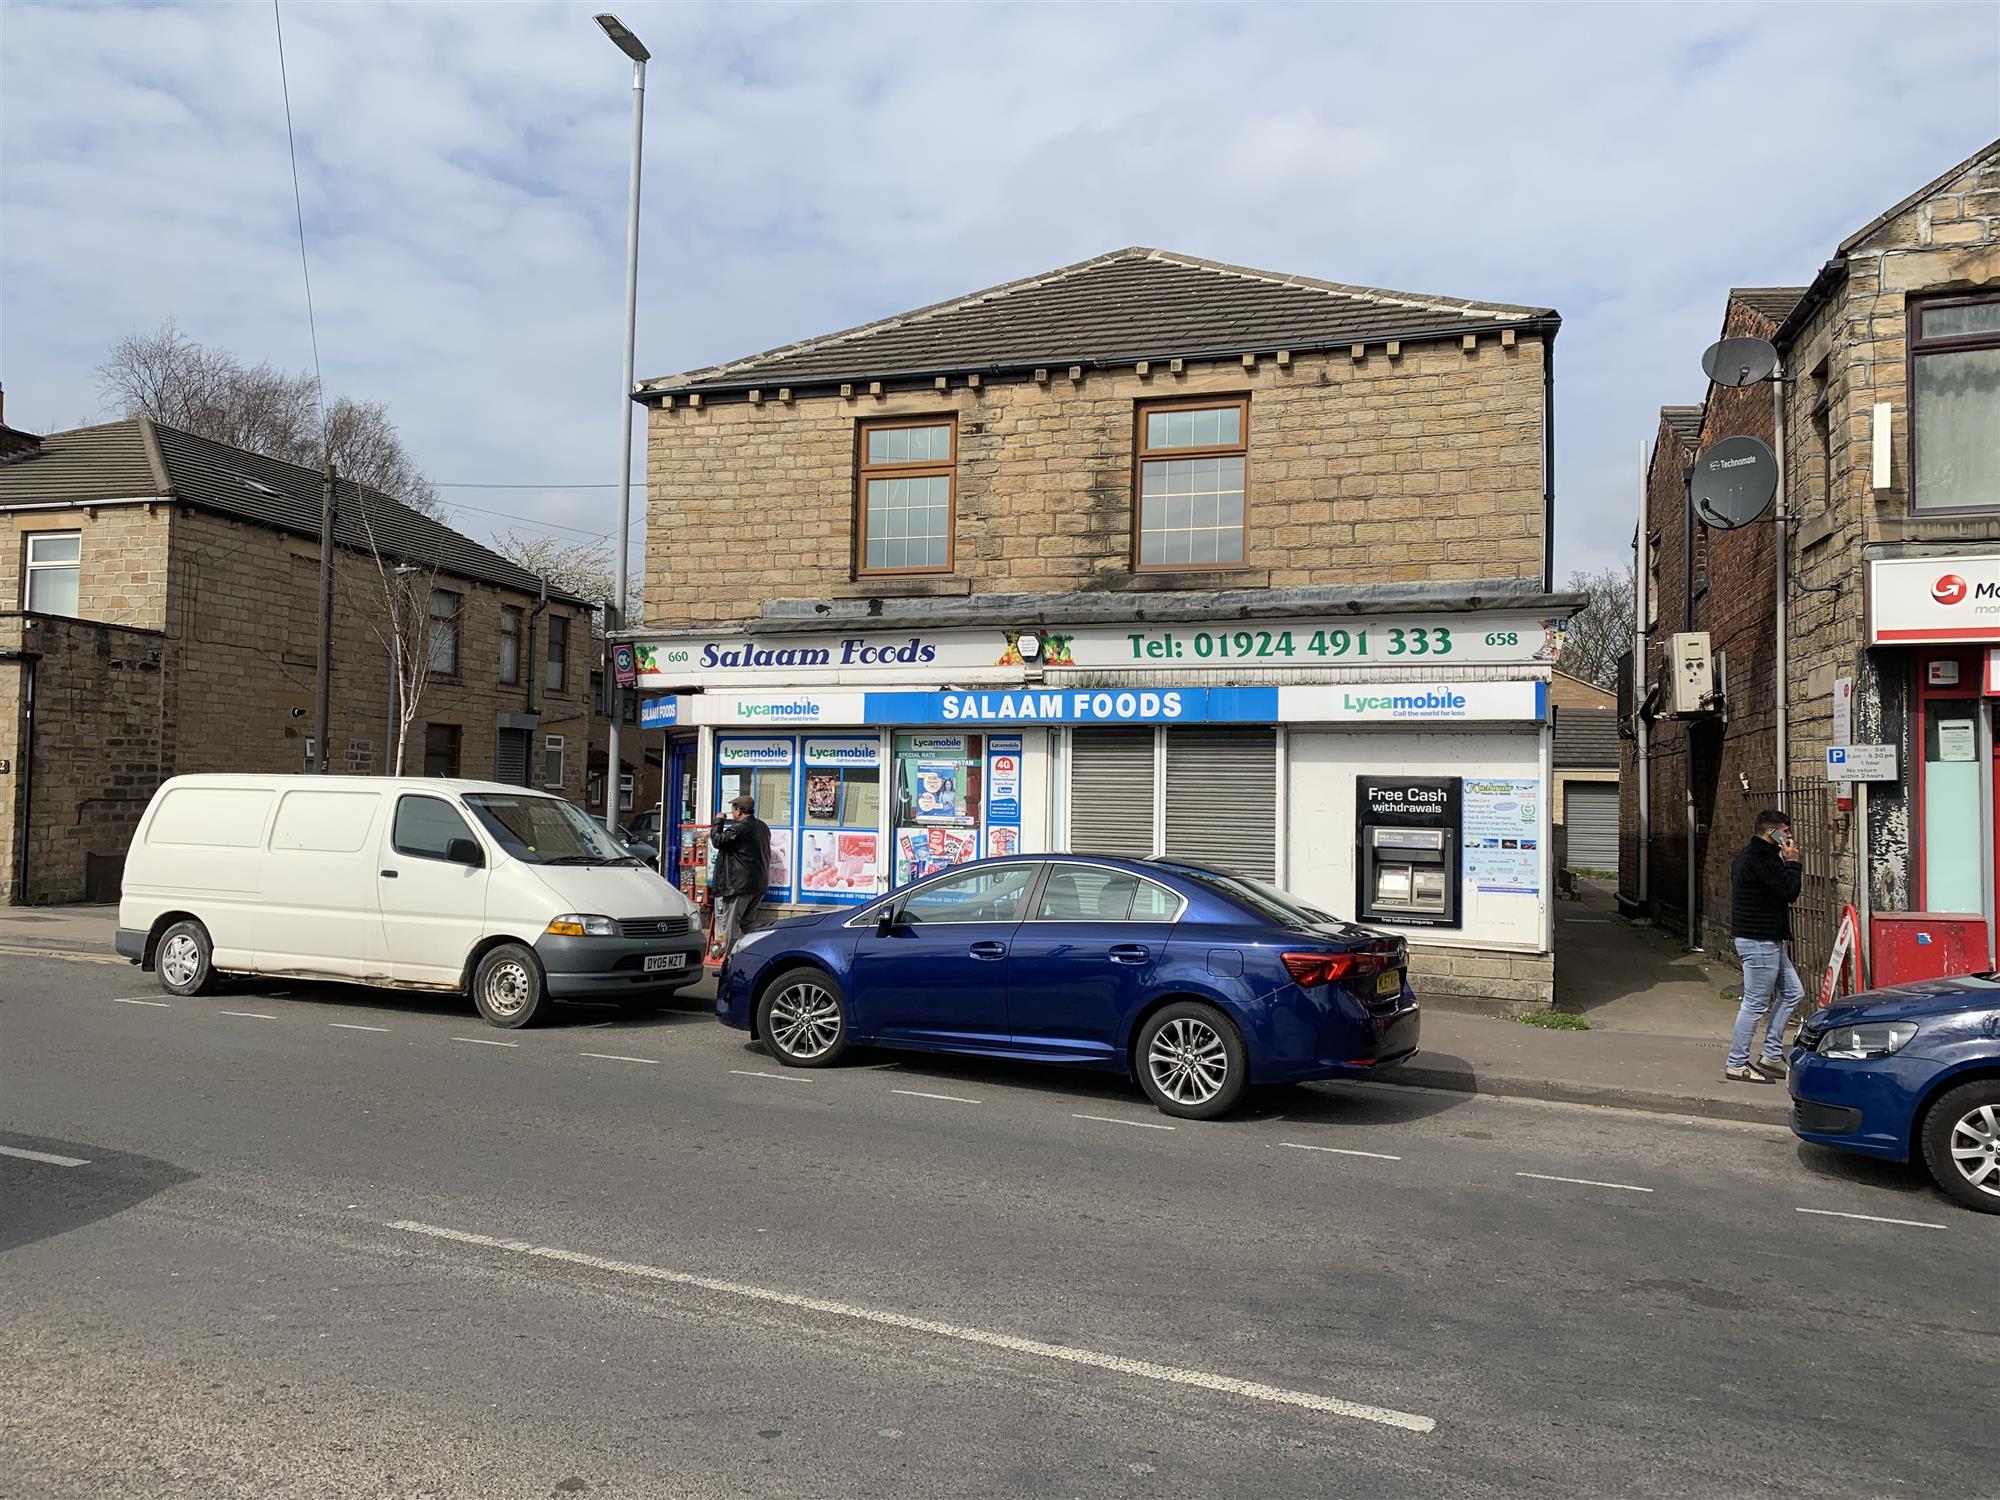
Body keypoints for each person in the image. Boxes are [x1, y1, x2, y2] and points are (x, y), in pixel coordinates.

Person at [1726, 808, 1805, 1083]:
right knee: (1755, 1004)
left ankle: (1771, 1054)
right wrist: (1793, 863)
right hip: (1759, 939)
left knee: (1794, 992)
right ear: (1771, 831)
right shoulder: (1762, 858)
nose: (1790, 836)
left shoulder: (1750, 855)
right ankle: (1737, 1062)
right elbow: (1788, 892)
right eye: (1786, 830)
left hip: (1765, 938)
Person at [710, 795, 771, 960]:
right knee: (748, 922)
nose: (731, 812)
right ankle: (767, 947)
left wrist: (718, 821)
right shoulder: (762, 826)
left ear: (739, 811)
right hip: (758, 883)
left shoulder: (740, 828)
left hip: (739, 885)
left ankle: (730, 963)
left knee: (731, 925)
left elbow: (717, 840)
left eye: (733, 809)